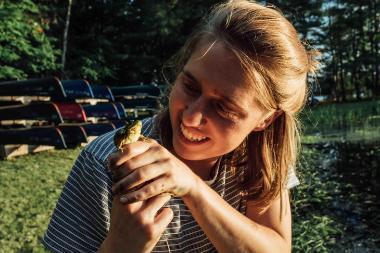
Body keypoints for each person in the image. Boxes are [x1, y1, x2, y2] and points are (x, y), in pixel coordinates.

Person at [42, 1, 319, 252]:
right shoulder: (102, 164)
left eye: (224, 107)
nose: (191, 117)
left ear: (265, 120)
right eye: (189, 86)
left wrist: (192, 187)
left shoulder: (262, 156)